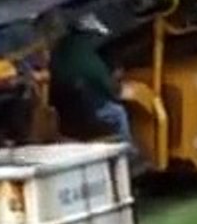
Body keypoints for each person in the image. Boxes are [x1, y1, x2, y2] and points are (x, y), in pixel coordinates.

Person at [49, 12, 136, 151]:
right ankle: (127, 153)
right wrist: (120, 89)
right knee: (119, 113)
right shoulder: (87, 58)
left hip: (63, 110)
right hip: (85, 110)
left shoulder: (60, 50)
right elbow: (109, 88)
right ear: (88, 35)